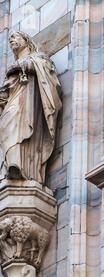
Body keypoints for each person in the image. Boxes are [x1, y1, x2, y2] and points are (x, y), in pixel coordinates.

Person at [0, 31, 62, 184]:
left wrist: (22, 65)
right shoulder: (11, 70)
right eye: (10, 39)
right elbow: (6, 93)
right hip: (13, 101)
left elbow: (49, 77)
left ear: (26, 40)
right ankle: (12, 166)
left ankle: (22, 168)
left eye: (15, 37)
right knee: (5, 127)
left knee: (18, 128)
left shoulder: (39, 58)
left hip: (28, 103)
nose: (11, 40)